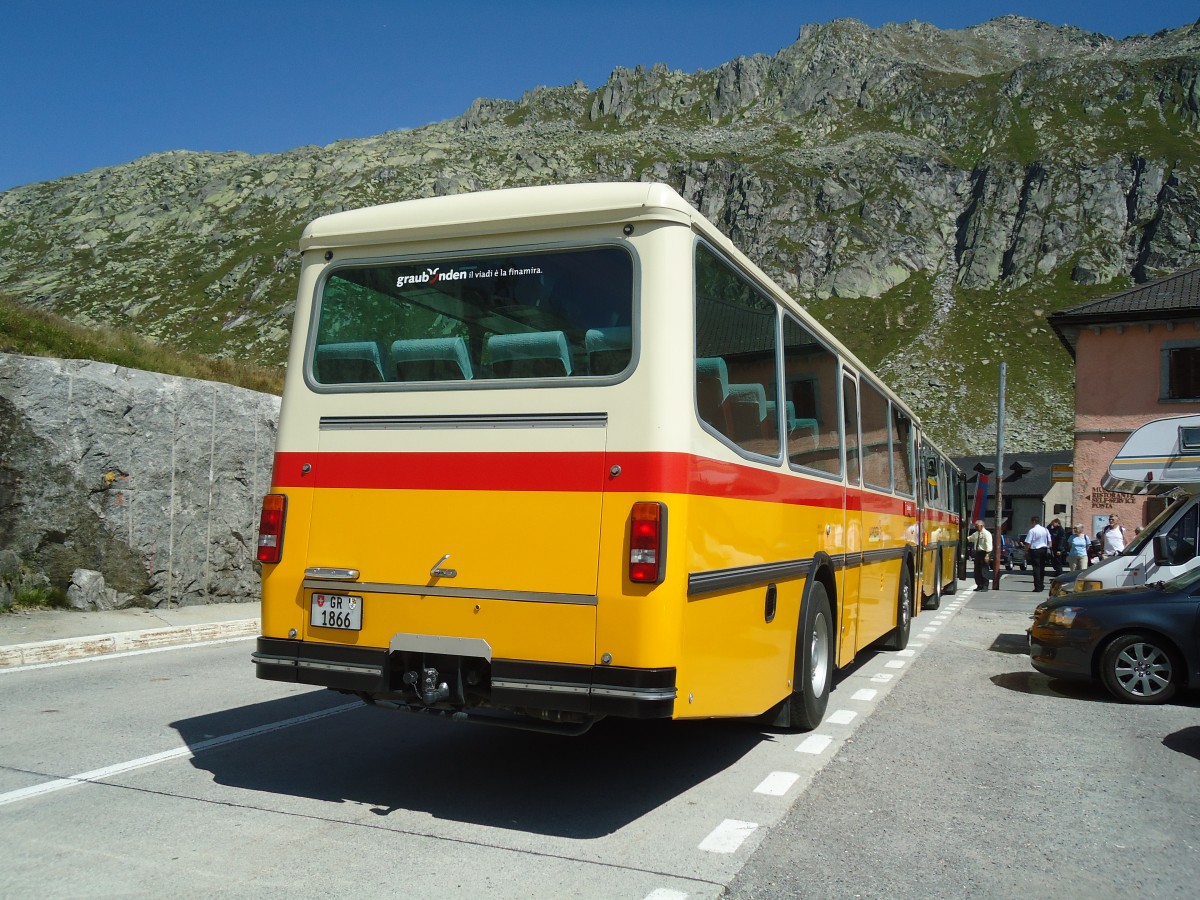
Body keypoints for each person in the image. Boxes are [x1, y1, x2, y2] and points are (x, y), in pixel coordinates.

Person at [1024, 516, 1053, 591]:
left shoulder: (1032, 531)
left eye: (1031, 522)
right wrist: (1048, 547)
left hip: (1035, 550)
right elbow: (1050, 541)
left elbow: (1028, 543)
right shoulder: (1045, 530)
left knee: (1036, 568)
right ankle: (1041, 584)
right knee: (1042, 568)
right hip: (1044, 549)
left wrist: (1025, 551)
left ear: (1033, 522)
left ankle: (1037, 587)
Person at [967, 519, 992, 591]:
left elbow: (989, 545)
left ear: (982, 526)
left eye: (977, 526)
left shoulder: (986, 534)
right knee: (977, 570)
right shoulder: (976, 533)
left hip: (984, 553)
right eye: (975, 526)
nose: (976, 527)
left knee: (984, 570)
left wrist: (987, 555)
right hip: (978, 553)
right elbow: (970, 538)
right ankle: (979, 585)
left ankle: (985, 586)